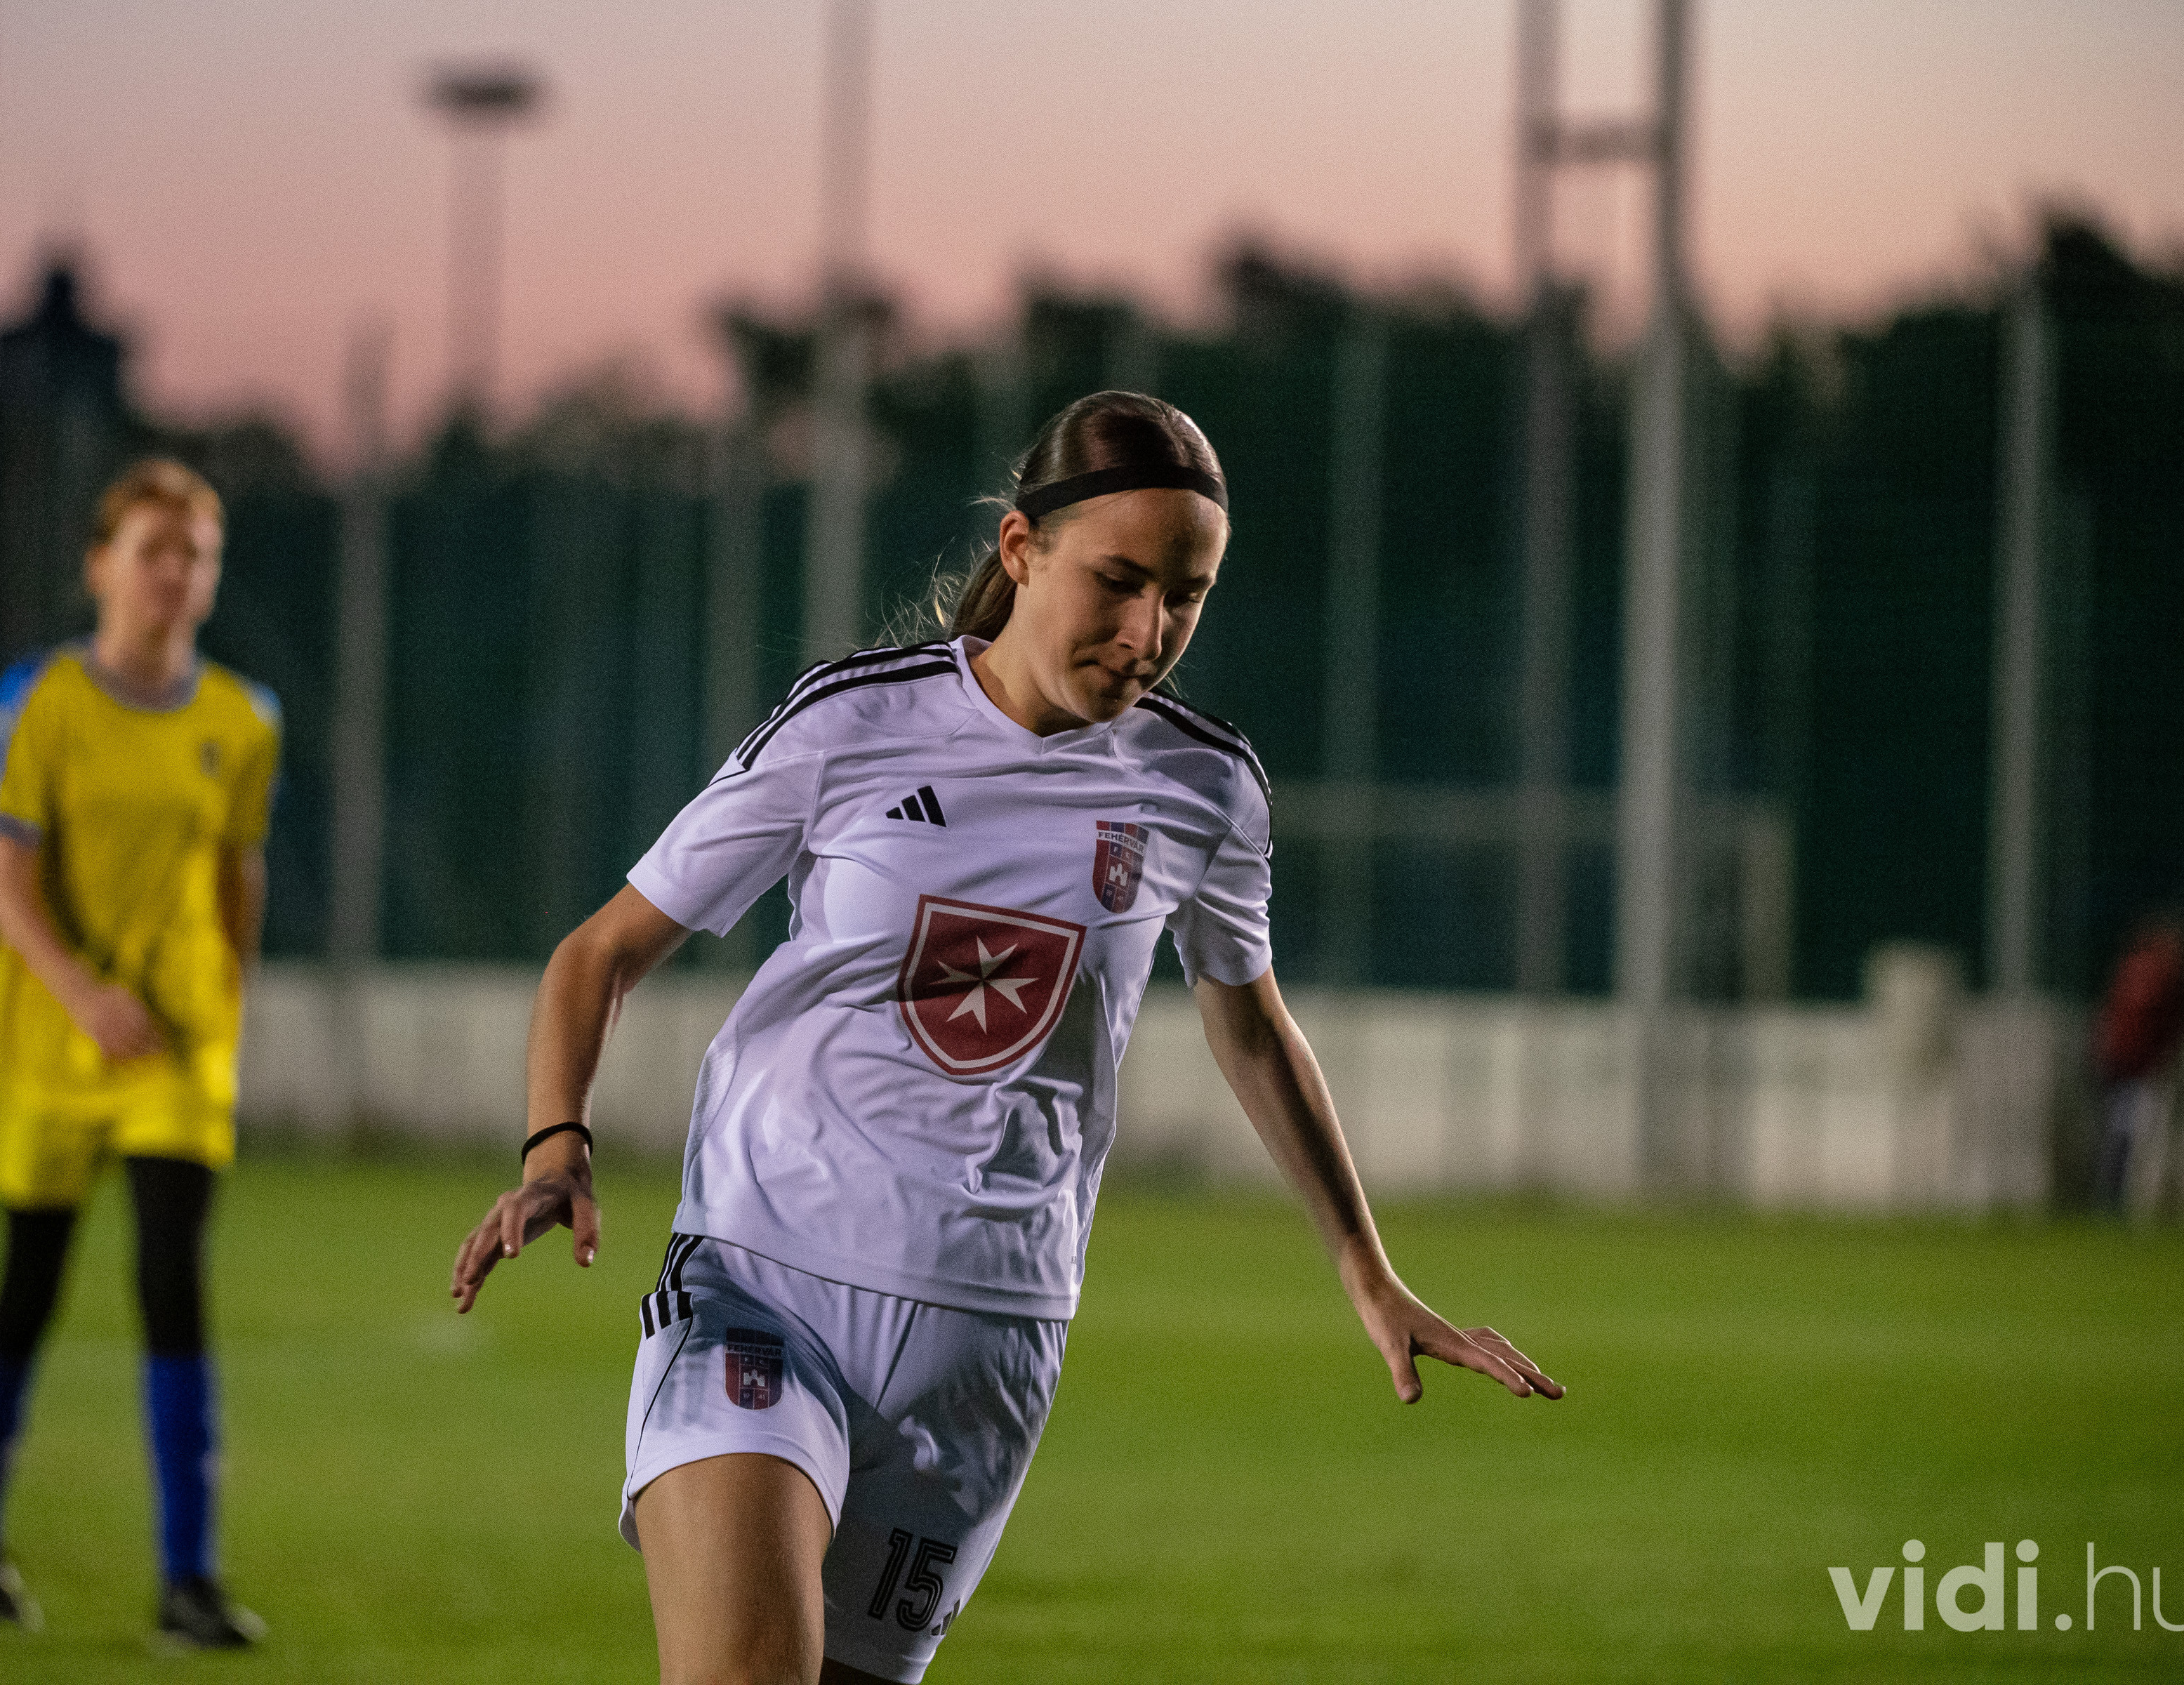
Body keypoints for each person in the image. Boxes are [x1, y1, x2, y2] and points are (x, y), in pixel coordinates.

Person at [451, 391, 1562, 1684]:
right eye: (1119, 581)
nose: (1148, 633)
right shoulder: (854, 724)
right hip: (765, 1285)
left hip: (992, 1344)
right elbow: (599, 954)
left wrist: (1369, 1271)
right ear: (1023, 548)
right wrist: (556, 1147)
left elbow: (1254, 1031)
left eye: (1186, 596)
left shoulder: (1203, 787)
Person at [0, 458, 278, 1649]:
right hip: (48, 1041)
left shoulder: (243, 718)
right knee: (29, 1285)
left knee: (174, 1282)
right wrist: (82, 996)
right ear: (100, 566)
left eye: (197, 556)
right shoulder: (39, 699)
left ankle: (190, 1581)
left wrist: (228, 999)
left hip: (174, 1046)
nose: (176, 574)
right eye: (153, 551)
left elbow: (237, 869)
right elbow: (4, 882)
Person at [2092, 911, 2184, 1218]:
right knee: (2132, 1136)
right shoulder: (2164, 975)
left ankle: (2113, 1198)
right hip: (2138, 1069)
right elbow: (2167, 1025)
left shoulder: (2130, 967)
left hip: (2116, 1065)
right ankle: (2119, 1201)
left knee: (2119, 1134)